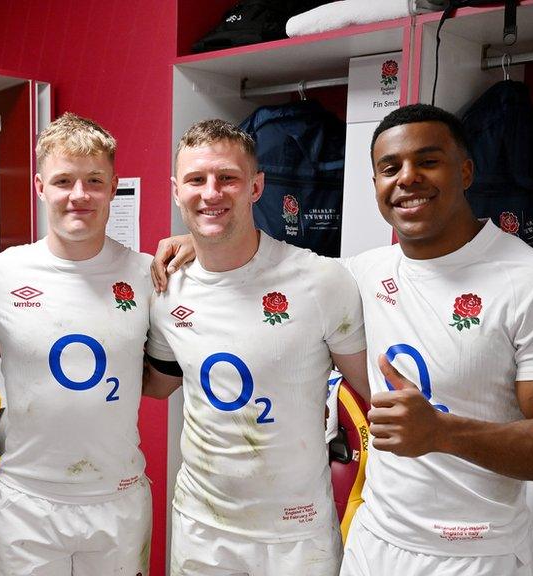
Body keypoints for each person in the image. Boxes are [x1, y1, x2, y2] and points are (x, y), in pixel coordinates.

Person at [340, 103, 533, 575]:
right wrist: (201, 244)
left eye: (428, 161)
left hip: (474, 555)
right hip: (373, 542)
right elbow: (272, 277)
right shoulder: (362, 273)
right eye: (389, 167)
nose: (407, 177)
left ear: (465, 171)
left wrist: (443, 432)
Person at [143, 119, 368, 576]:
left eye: (227, 178)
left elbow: (373, 390)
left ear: (256, 186)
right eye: (196, 180)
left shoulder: (321, 281)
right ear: (175, 190)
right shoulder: (167, 287)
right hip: (202, 527)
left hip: (295, 534)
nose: (211, 193)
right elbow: (157, 384)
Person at [0, 112, 153, 576]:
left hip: (117, 496)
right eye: (64, 180)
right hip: (27, 502)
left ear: (113, 186)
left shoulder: (148, 273)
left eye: (94, 180)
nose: (79, 195)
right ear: (40, 186)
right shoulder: (2, 274)